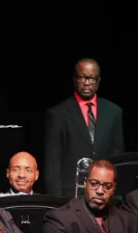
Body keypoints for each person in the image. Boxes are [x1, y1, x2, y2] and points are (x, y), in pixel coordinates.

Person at [44, 58, 125, 198]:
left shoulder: (113, 112)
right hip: (70, 195)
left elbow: (118, 157)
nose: (87, 83)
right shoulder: (58, 114)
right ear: (74, 79)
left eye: (91, 78)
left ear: (98, 81)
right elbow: (53, 164)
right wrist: (56, 201)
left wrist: (117, 195)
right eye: (82, 78)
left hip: (104, 193)